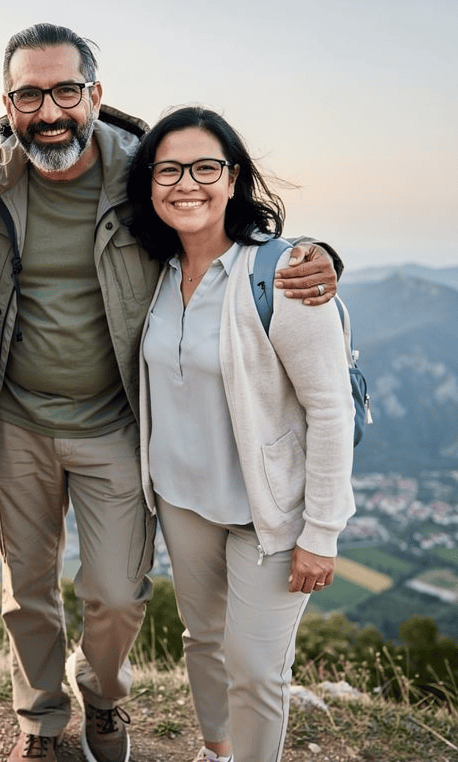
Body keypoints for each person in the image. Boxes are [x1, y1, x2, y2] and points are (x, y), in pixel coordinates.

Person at [0, 24, 341, 762]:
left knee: (115, 594)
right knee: (28, 590)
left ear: (95, 95)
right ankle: (43, 724)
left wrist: (322, 258)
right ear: (8, 104)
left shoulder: (141, 170)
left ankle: (102, 696)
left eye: (66, 91)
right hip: (14, 422)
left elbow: (221, 225)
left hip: (114, 423)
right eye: (28, 94)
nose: (50, 111)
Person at [127, 106, 357, 762]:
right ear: (149, 182)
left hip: (268, 516)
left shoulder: (280, 276)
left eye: (206, 167)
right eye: (168, 168)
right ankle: (215, 751)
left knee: (256, 670)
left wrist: (322, 533)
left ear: (234, 180)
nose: (187, 183)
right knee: (203, 641)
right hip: (182, 500)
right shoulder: (157, 273)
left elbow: (330, 410)